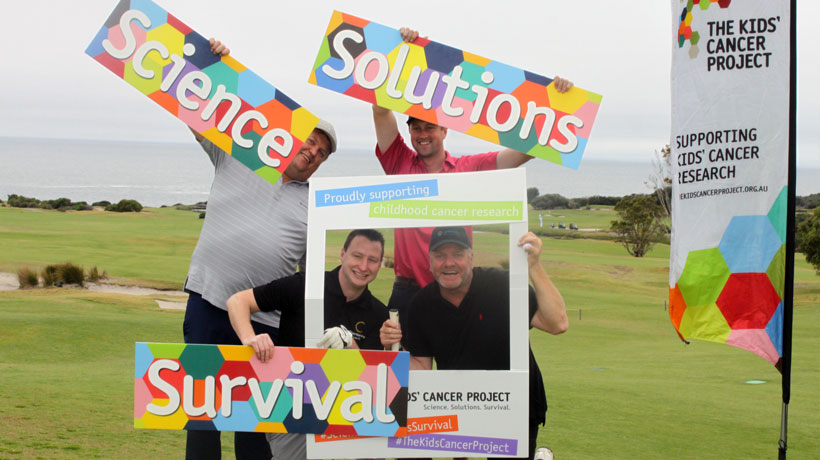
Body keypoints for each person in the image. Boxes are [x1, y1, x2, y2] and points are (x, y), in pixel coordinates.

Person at [182, 38, 338, 460]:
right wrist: (212, 62)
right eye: (311, 142)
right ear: (294, 136)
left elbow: (307, 279)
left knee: (254, 424)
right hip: (208, 300)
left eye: (322, 154)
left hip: (264, 323)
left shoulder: (316, 204)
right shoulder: (241, 154)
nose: (313, 153)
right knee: (202, 414)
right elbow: (197, 113)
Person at [372, 28, 574, 335]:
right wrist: (402, 52)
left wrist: (558, 105)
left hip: (456, 286)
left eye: (431, 127)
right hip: (408, 289)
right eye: (416, 128)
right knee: (404, 374)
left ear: (445, 130)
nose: (422, 134)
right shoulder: (398, 160)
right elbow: (380, 109)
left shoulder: (470, 166)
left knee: (460, 368)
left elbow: (524, 152)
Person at [383, 226, 568, 459]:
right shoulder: (421, 305)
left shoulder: (501, 285)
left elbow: (557, 323)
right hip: (464, 404)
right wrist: (392, 351)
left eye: (458, 254)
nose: (449, 262)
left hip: (516, 403)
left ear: (471, 258)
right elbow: (421, 367)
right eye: (440, 256)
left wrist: (534, 266)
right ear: (430, 262)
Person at [227, 229, 398, 460]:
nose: (364, 266)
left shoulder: (378, 313)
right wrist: (249, 338)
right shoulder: (305, 285)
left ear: (380, 265)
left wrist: (349, 343)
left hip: (347, 411)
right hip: (291, 407)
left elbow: (371, 378)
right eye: (357, 256)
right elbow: (238, 301)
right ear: (343, 254)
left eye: (373, 260)